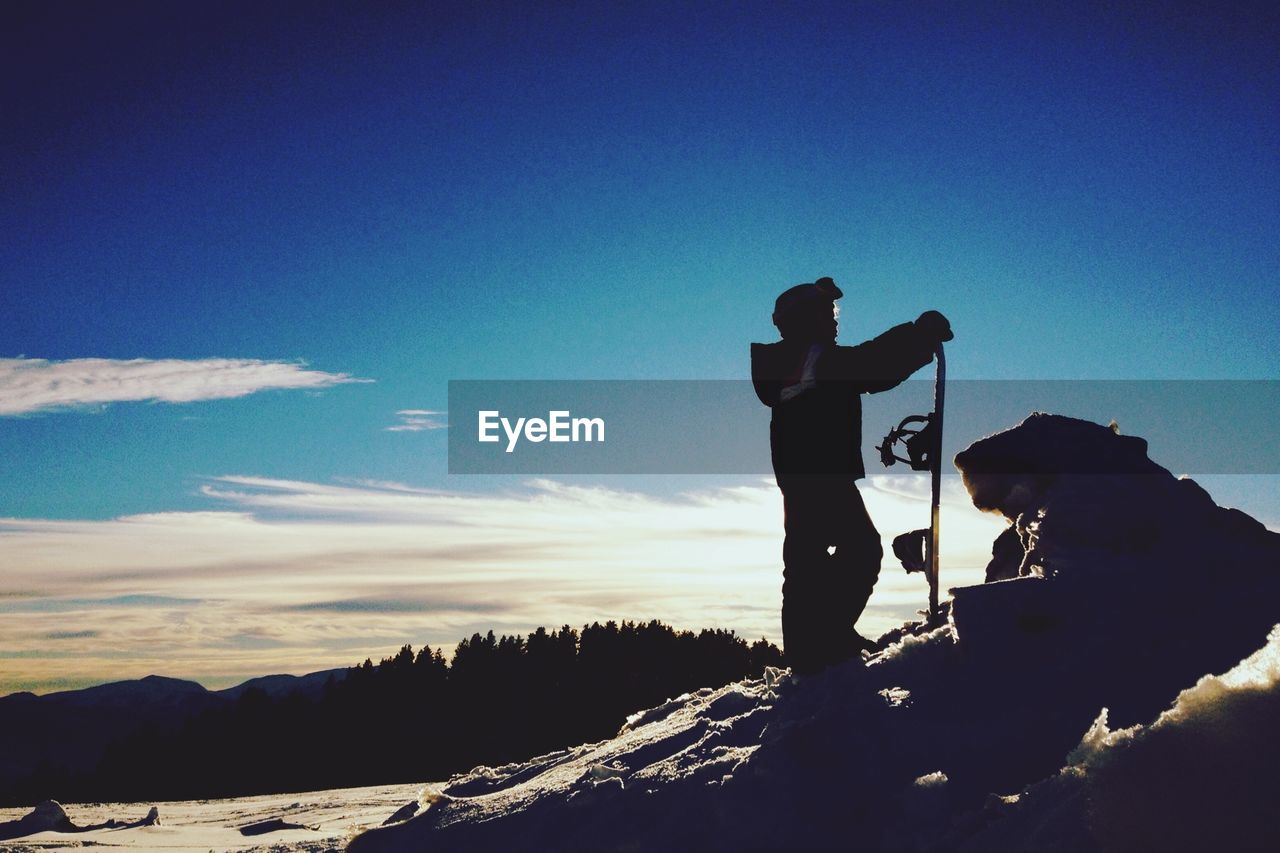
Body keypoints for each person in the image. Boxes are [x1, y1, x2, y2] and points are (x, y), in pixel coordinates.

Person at [751, 277, 953, 674]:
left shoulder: (801, 360)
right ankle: (821, 643)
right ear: (803, 320)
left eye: (834, 313)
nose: (835, 321)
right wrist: (917, 337)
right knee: (856, 551)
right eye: (827, 313)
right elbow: (869, 365)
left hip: (813, 474)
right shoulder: (807, 360)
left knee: (811, 559)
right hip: (817, 475)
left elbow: (863, 365)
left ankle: (816, 643)